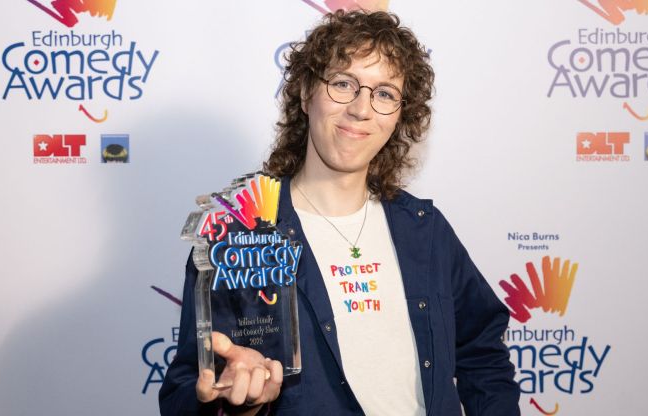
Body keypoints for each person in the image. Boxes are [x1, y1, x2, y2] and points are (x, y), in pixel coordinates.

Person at [160, 10, 520, 416]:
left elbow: (482, 353)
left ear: (400, 113)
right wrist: (240, 405)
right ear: (305, 92)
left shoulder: (425, 230)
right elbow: (184, 394)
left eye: (384, 93)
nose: (361, 109)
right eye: (344, 84)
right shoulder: (238, 234)